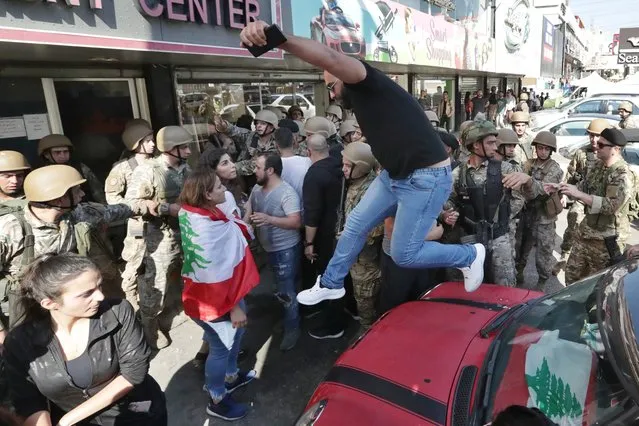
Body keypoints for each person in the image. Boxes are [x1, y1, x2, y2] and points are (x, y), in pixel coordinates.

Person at [239, 20, 485, 302]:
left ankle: (469, 255)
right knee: (356, 223)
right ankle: (331, 282)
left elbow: (330, 57)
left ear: (344, 74)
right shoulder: (364, 104)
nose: (330, 93)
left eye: (331, 86)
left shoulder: (366, 80)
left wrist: (277, 39)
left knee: (404, 253)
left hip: (425, 180)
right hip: (395, 176)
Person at [3, 253, 167, 426]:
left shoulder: (117, 312)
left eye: (99, 286)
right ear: (49, 303)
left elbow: (133, 372)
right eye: (87, 294)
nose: (100, 297)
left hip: (136, 416)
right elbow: (29, 402)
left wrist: (67, 420)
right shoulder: (20, 342)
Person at [0, 165, 137, 340]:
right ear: (59, 198)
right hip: (29, 309)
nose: (81, 195)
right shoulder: (9, 229)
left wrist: (157, 207)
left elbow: (116, 211)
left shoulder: (76, 214)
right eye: (77, 190)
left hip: (70, 302)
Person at [178, 169, 258, 420]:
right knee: (220, 347)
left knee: (238, 332)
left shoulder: (197, 213)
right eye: (219, 186)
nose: (224, 188)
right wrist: (233, 305)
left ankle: (231, 376)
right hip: (215, 300)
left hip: (221, 292)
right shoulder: (206, 228)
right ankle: (216, 397)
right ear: (207, 195)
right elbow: (213, 275)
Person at [125, 126, 192, 349]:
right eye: (184, 147)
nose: (189, 151)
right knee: (154, 286)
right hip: (158, 238)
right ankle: (149, 330)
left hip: (185, 233)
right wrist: (164, 208)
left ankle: (186, 310)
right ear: (171, 149)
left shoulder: (185, 169)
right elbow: (130, 204)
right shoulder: (148, 171)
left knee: (187, 275)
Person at [445, 121, 531, 287]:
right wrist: (450, 211)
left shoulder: (505, 169)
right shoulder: (458, 173)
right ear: (476, 145)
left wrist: (502, 216)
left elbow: (521, 197)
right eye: (490, 143)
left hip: (499, 238)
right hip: (470, 237)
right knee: (469, 285)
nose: (495, 146)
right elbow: (449, 199)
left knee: (504, 286)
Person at [554, 128, 633, 284]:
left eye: (602, 144)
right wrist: (559, 187)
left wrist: (580, 195)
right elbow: (583, 187)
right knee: (572, 279)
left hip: (604, 241)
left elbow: (612, 206)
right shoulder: (597, 166)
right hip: (585, 234)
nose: (596, 145)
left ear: (615, 150)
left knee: (597, 286)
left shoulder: (622, 175)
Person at [245, 153, 303, 350]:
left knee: (287, 291)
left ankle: (292, 329)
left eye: (258, 167)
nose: (254, 171)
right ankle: (288, 319)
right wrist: (244, 223)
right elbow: (249, 207)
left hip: (285, 250)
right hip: (267, 248)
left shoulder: (287, 193)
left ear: (270, 170)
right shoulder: (256, 188)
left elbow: (296, 222)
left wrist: (269, 219)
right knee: (281, 288)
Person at [105, 122, 156, 310]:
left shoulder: (157, 163)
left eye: (152, 141)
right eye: (148, 141)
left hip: (160, 220)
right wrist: (137, 206)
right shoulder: (122, 168)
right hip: (137, 223)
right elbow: (112, 198)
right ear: (136, 144)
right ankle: (132, 302)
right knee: (135, 260)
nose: (153, 145)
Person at [301, 135, 344, 338]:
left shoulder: (314, 175)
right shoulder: (340, 165)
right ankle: (347, 311)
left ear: (309, 152)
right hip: (343, 229)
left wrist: (309, 243)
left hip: (325, 236)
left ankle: (333, 325)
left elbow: (312, 214)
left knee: (328, 278)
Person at [553, 118, 610, 275]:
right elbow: (571, 174)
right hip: (580, 195)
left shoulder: (608, 153)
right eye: (591, 135)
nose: (594, 139)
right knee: (574, 218)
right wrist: (563, 193)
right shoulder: (582, 154)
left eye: (597, 136)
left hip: (599, 199)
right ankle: (565, 254)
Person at [340, 142, 383, 329]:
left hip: (366, 261)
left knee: (366, 300)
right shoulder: (352, 183)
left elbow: (380, 225)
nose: (343, 169)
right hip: (354, 256)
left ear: (362, 167)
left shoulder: (373, 189)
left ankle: (368, 333)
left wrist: (355, 233)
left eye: (348, 165)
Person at [515, 132, 563, 290]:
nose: (542, 151)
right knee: (521, 246)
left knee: (544, 251)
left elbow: (544, 189)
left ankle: (542, 281)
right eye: (540, 148)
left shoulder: (554, 168)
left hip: (544, 216)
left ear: (551, 151)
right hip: (527, 212)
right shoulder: (528, 164)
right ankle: (519, 272)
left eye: (546, 149)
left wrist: (528, 182)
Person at [37, 134, 106, 204]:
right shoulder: (41, 175)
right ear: (46, 155)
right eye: (57, 152)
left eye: (66, 151)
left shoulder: (81, 168)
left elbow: (97, 192)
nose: (62, 155)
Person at [213, 109, 279, 177]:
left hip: (263, 178)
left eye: (263, 124)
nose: (258, 126)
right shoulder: (252, 136)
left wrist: (230, 168)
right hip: (244, 177)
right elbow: (235, 131)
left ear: (271, 127)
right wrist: (224, 126)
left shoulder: (277, 143)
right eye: (257, 123)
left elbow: (254, 165)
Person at [275, 127, 311, 205]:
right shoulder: (308, 161)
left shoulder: (273, 166)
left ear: (276, 144)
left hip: (281, 211)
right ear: (294, 141)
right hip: (303, 209)